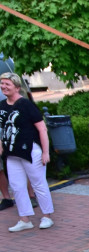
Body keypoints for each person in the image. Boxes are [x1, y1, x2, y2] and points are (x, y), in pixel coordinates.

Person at [0, 73, 55, 232]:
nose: (3, 87)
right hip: (11, 152)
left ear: (17, 87)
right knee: (17, 186)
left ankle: (47, 216)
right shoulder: (2, 105)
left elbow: (42, 128)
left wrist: (46, 152)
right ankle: (24, 219)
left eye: (7, 84)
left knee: (39, 183)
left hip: (30, 150)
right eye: (2, 84)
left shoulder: (26, 104)